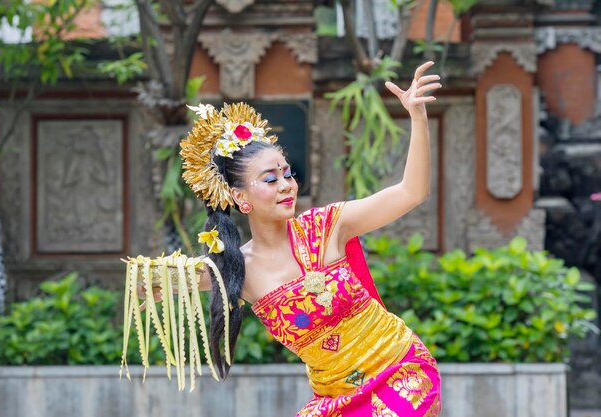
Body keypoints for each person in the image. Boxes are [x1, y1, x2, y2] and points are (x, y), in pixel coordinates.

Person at [167, 61, 441, 416]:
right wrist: (145, 278)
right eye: (270, 179)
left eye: (288, 173)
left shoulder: (327, 226)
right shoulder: (237, 268)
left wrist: (417, 118)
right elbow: (156, 285)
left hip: (399, 375)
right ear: (240, 198)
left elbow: (411, 192)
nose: (286, 186)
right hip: (332, 398)